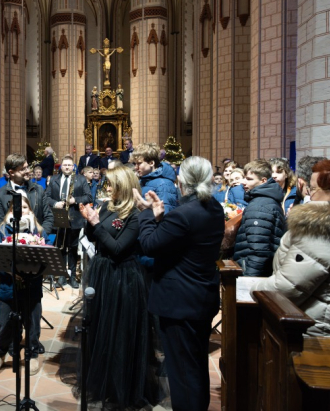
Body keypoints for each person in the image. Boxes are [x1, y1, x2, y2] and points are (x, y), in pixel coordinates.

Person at [138, 156, 225, 411]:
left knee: (182, 374)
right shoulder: (214, 208)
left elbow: (149, 245)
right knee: (195, 366)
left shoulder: (183, 214)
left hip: (179, 303)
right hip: (201, 296)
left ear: (181, 181)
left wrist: (147, 215)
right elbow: (181, 243)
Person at [251, 157, 330, 338]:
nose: (308, 194)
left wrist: (249, 287)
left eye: (313, 189)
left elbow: (286, 288)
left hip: (318, 333)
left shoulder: (322, 230)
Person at [78, 164, 156, 409]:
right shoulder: (107, 206)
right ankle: (106, 382)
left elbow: (119, 249)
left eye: (111, 184)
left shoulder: (135, 214)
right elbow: (94, 237)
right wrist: (90, 223)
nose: (107, 187)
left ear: (123, 185)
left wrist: (97, 225)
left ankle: (122, 387)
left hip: (123, 278)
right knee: (102, 328)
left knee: (120, 332)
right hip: (103, 273)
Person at [0, 197, 47, 376]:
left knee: (32, 321)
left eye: (25, 207)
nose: (21, 211)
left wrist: (30, 271)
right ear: (10, 211)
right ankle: (0, 353)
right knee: (4, 320)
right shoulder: (1, 231)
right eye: (16, 208)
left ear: (30, 210)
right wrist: (11, 272)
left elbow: (45, 259)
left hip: (31, 285)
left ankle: (32, 353)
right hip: (8, 285)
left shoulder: (38, 231)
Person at [45, 156, 92, 288]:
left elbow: (89, 196)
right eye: (64, 165)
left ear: (73, 167)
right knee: (60, 248)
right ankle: (61, 276)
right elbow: (46, 196)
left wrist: (75, 200)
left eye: (69, 165)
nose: (66, 167)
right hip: (58, 218)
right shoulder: (54, 179)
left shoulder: (81, 179)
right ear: (61, 166)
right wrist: (55, 203)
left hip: (74, 219)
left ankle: (72, 277)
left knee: (72, 248)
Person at [233, 159, 286, 277]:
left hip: (253, 272)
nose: (243, 182)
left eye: (249, 179)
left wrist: (249, 280)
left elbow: (259, 250)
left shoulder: (259, 206)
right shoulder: (265, 200)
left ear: (263, 181)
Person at [0, 153, 54, 237]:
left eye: (27, 167)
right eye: (23, 169)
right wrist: (13, 240)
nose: (28, 171)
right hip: (10, 243)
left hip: (35, 243)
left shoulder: (39, 190)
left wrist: (40, 237)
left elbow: (48, 217)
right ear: (11, 172)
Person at [132, 142, 179, 214]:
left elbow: (165, 214)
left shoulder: (164, 185)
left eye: (139, 163)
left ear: (151, 163)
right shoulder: (143, 180)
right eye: (135, 164)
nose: (136, 167)